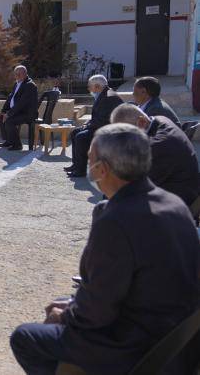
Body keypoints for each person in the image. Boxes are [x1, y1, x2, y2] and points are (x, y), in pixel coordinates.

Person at [10, 124, 200, 374]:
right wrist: (73, 304)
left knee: (25, 337)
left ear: (102, 169)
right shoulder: (173, 203)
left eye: (90, 159)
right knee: (66, 304)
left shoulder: (116, 220)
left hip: (135, 346)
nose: (88, 166)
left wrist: (65, 316)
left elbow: (96, 312)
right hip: (177, 339)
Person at [110, 103, 200, 209]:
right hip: (180, 187)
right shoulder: (160, 119)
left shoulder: (157, 147)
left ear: (142, 122)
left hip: (178, 203)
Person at [65, 75, 123, 177]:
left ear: (97, 86)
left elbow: (104, 120)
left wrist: (88, 126)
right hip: (100, 126)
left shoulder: (109, 97)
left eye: (89, 86)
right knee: (75, 132)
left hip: (108, 130)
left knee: (81, 137)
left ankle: (81, 169)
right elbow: (97, 116)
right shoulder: (103, 94)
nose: (88, 89)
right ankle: (76, 164)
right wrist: (87, 123)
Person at [0, 65, 38, 151]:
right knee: (1, 117)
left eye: (20, 74)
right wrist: (3, 111)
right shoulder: (17, 83)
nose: (17, 76)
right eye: (16, 74)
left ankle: (17, 145)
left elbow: (21, 103)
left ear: (25, 74)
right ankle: (9, 141)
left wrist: (9, 114)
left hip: (27, 114)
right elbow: (10, 98)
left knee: (9, 121)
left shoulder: (29, 85)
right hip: (18, 112)